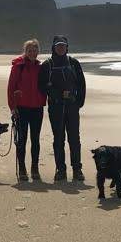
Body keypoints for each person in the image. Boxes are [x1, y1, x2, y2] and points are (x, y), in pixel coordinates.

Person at [37, 35, 86, 181]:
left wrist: (79, 102)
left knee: (74, 139)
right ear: (53, 47)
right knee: (58, 139)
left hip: (72, 107)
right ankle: (61, 170)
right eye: (58, 45)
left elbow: (81, 84)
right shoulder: (48, 65)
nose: (61, 48)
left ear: (67, 47)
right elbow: (41, 86)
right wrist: (57, 94)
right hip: (56, 107)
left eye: (63, 45)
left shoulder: (74, 63)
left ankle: (77, 170)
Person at [6, 39, 47, 181]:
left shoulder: (40, 67)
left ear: (38, 52)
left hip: (37, 108)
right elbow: (11, 88)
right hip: (21, 109)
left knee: (35, 140)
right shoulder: (18, 66)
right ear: (25, 51)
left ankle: (35, 168)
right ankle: (22, 168)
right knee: (21, 140)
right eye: (29, 50)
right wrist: (13, 108)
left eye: (34, 50)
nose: (32, 53)